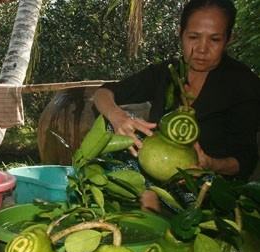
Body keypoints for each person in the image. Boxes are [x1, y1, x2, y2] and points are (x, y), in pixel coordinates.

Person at [95, 0, 260, 182]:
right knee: (110, 124)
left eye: (215, 39)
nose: (202, 49)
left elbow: (246, 159)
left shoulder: (243, 84)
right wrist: (118, 117)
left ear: (229, 39)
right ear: (180, 34)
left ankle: (150, 196)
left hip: (204, 184)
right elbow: (104, 93)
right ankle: (148, 194)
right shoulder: (168, 72)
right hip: (151, 172)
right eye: (193, 37)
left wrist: (209, 164)